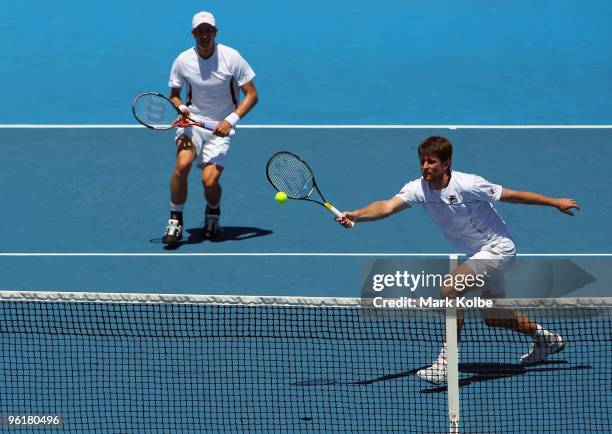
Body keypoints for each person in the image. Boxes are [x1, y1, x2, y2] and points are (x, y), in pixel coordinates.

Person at [337, 136, 580, 384]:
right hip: (477, 254)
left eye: (431, 162)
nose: (425, 167)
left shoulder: (469, 185)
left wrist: (554, 202)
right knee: (494, 316)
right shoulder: (417, 188)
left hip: (497, 249)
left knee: (450, 289)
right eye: (422, 161)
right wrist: (356, 215)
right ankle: (546, 339)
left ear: (446, 163)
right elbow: (386, 207)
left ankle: (446, 361)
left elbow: (513, 195)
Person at [162, 11, 258, 244]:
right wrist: (182, 109)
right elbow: (174, 96)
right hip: (192, 123)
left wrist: (230, 121)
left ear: (215, 32)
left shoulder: (232, 57)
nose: (204, 36)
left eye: (208, 31)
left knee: (210, 181)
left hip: (222, 127)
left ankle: (213, 212)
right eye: (200, 31)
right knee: (182, 165)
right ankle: (175, 221)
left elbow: (252, 95)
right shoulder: (183, 60)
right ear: (193, 34)